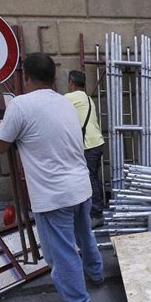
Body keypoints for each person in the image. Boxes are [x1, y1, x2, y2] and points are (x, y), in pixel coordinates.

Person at [0, 53, 104, 302]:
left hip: (54, 195)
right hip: (80, 187)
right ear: (55, 79)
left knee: (61, 252)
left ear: (25, 78)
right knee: (85, 236)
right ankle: (97, 275)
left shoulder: (20, 105)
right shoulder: (65, 103)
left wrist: (0, 124)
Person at [65, 70, 105, 228]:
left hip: (89, 145)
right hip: (97, 143)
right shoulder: (88, 99)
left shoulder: (69, 98)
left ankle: (96, 214)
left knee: (91, 179)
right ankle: (94, 211)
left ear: (71, 83)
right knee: (93, 178)